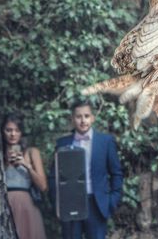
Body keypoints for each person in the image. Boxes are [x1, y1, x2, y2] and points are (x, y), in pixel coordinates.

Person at [48, 100, 123, 239]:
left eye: (87, 116)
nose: (83, 120)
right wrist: (57, 202)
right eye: (78, 116)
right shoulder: (62, 143)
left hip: (97, 203)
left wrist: (111, 201)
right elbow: (54, 176)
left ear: (93, 117)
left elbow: (116, 173)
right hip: (70, 203)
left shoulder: (105, 141)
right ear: (72, 119)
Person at [1, 113, 48, 239]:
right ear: (3, 131)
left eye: (17, 130)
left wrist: (26, 165)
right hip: (3, 204)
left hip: (26, 205)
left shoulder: (32, 152)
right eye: (9, 130)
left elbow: (43, 186)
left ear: (21, 133)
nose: (13, 134)